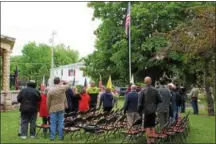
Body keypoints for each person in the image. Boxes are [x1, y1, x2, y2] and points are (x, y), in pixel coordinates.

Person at [138, 77, 162, 144]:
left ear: (144, 82)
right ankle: (153, 141)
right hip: (153, 111)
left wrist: (138, 111)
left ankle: (149, 142)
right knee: (153, 125)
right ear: (151, 81)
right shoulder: (155, 90)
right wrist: (155, 103)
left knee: (147, 126)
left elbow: (140, 103)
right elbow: (160, 99)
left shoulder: (143, 91)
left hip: (146, 112)